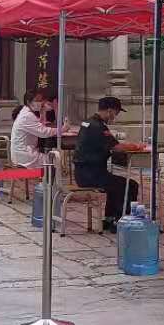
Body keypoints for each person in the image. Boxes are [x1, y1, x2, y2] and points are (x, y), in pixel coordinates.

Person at [72, 95, 145, 233]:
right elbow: (117, 147)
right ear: (110, 111)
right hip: (92, 175)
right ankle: (121, 220)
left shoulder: (88, 122)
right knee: (130, 185)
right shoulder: (98, 127)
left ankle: (110, 218)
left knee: (115, 184)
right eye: (115, 113)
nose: (115, 117)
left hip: (83, 172)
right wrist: (137, 146)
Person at [10, 87, 58, 168]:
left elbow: (39, 126)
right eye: (37, 100)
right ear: (29, 102)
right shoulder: (27, 116)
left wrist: (42, 112)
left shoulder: (27, 112)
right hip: (24, 155)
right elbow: (43, 132)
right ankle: (50, 177)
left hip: (24, 152)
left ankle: (47, 176)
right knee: (55, 160)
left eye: (41, 100)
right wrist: (61, 129)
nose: (40, 103)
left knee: (51, 158)